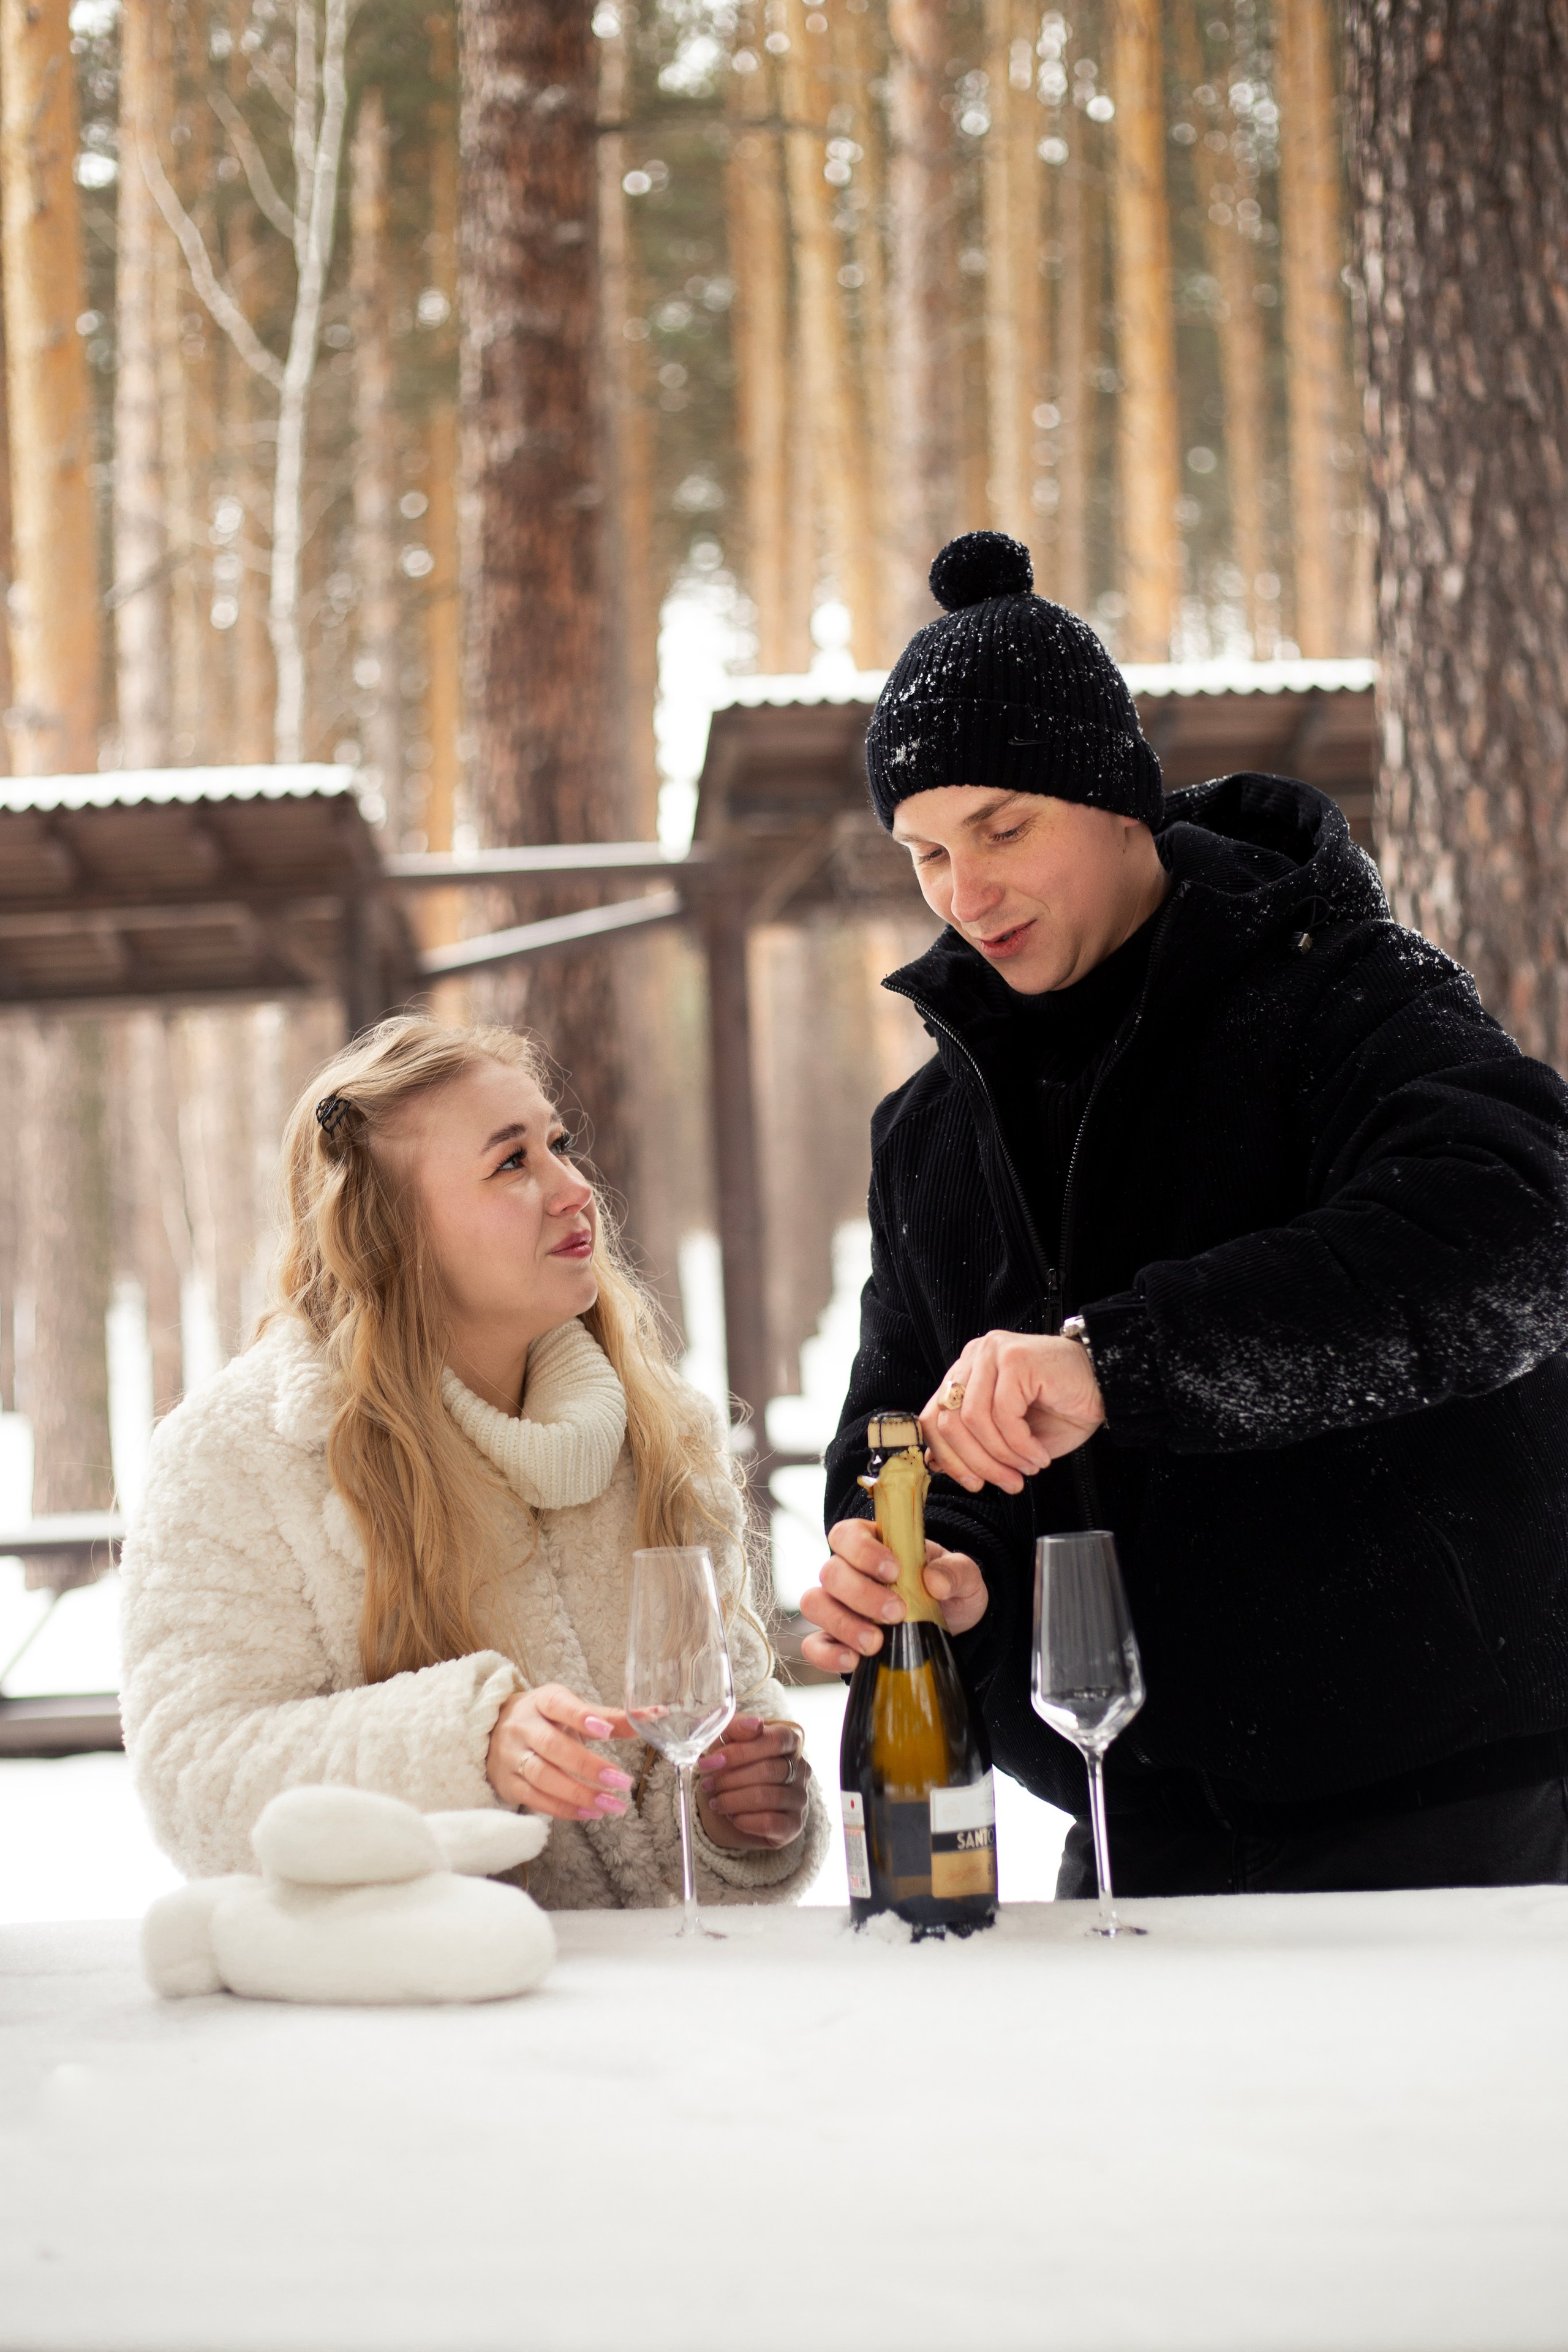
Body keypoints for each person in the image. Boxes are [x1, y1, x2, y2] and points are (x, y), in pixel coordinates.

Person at [802, 529, 1568, 1898]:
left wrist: (1118, 1365)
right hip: (1129, 1815)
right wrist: (938, 1573)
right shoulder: (925, 1136)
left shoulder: (1343, 994)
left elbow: (1514, 1240)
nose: (962, 896)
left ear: (1113, 802)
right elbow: (900, 1428)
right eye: (922, 854)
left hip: (1457, 1802)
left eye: (1001, 829)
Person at [121, 1017, 827, 1910]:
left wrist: (738, 1820)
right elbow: (197, 1779)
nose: (575, 1190)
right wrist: (465, 1742)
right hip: (401, 2018)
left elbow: (726, 1720)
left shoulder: (663, 1432)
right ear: (392, 1236)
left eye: (558, 1145)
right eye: (511, 1164)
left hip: (662, 2016)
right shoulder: (238, 1456)